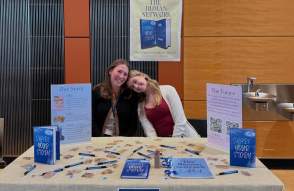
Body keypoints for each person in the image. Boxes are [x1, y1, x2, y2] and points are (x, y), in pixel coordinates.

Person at [127, 70, 200, 137]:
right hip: (163, 145)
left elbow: (180, 121)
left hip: (184, 138)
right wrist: (157, 145)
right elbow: (150, 132)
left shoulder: (168, 90)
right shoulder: (140, 107)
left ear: (142, 76)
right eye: (132, 87)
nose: (136, 86)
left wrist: (173, 143)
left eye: (135, 81)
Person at [92, 59, 139, 137]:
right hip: (98, 138)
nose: (121, 76)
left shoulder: (130, 95)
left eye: (125, 74)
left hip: (123, 141)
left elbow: (133, 125)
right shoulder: (97, 91)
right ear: (110, 71)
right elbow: (91, 119)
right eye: (119, 71)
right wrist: (99, 138)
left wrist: (124, 140)